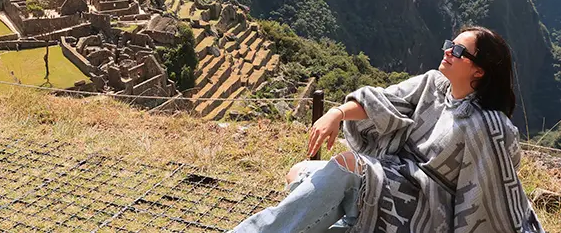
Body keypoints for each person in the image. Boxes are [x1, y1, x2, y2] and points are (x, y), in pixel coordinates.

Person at [231, 26, 545, 232]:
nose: (448, 51)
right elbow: (385, 101)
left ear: (479, 71)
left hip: (428, 208)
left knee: (344, 168)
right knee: (298, 171)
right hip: (395, 182)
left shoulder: (489, 128)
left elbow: (493, 199)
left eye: (459, 52)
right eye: (451, 45)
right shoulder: (433, 85)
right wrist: (337, 114)